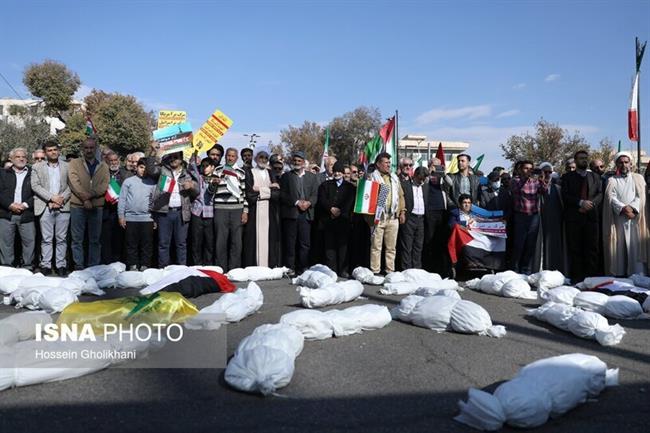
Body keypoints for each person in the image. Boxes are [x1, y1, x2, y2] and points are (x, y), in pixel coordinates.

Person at [147, 151, 198, 267]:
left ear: (181, 159)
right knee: (163, 243)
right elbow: (150, 170)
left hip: (181, 212)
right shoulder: (162, 170)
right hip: (165, 212)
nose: (173, 159)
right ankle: (163, 270)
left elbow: (197, 190)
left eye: (176, 157)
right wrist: (152, 152)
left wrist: (192, 187)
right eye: (171, 157)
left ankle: (181, 270)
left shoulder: (188, 172)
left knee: (181, 243)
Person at [603, 152, 649, 276]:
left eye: (626, 162)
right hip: (619, 220)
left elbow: (641, 195)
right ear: (616, 164)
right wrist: (623, 208)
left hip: (635, 219)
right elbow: (610, 198)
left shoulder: (638, 178)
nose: (623, 164)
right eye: (620, 162)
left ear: (630, 163)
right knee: (619, 248)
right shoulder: (612, 180)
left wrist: (632, 208)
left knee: (636, 247)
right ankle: (620, 275)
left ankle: (639, 275)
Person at [68, 138, 109, 269]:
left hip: (96, 207)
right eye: (86, 148)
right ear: (82, 149)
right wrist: (84, 199)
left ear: (96, 148)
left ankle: (93, 267)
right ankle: (79, 266)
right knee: (77, 239)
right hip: (77, 206)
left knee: (95, 240)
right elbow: (73, 182)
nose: (89, 150)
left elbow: (104, 185)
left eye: (91, 148)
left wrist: (91, 195)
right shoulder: (74, 163)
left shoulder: (103, 166)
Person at [30, 141, 70, 275]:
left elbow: (72, 185)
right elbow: (35, 186)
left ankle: (60, 265)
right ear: (45, 152)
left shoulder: (67, 166)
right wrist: (51, 198)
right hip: (45, 206)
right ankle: (46, 265)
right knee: (46, 238)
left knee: (61, 238)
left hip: (63, 206)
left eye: (55, 149)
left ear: (58, 151)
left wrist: (60, 199)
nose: (53, 152)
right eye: (49, 150)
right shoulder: (37, 167)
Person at [561, 151, 602, 282]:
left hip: (591, 218)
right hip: (574, 218)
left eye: (585, 158)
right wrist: (580, 202)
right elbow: (565, 195)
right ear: (576, 160)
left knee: (591, 249)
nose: (584, 160)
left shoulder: (595, 177)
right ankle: (577, 279)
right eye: (581, 158)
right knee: (575, 248)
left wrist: (591, 204)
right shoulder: (567, 177)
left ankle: (591, 279)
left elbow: (600, 194)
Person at [280, 151, 319, 275]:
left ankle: (304, 268)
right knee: (290, 243)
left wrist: (309, 203)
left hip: (306, 214)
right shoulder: (286, 176)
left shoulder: (312, 177)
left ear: (303, 162)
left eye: (299, 161)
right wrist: (297, 202)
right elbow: (283, 194)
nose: (296, 163)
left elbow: (315, 194)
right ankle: (290, 268)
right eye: (295, 161)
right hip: (292, 214)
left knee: (305, 243)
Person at [509, 160, 548, 275]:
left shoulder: (536, 182)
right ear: (520, 170)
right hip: (520, 216)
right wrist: (526, 178)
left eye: (531, 169)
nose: (529, 171)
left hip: (534, 216)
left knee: (530, 245)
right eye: (526, 168)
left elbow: (544, 191)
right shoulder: (515, 181)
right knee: (518, 245)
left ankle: (526, 271)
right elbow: (519, 189)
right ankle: (515, 270)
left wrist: (542, 178)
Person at [369, 152, 405, 275]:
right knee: (376, 246)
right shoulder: (372, 177)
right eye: (386, 162)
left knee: (391, 247)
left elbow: (400, 195)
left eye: (389, 162)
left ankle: (390, 271)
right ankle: (375, 271)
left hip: (393, 217)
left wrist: (402, 211)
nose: (389, 165)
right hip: (378, 217)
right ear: (378, 164)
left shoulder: (394, 177)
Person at [316, 161, 355, 276]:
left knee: (343, 247)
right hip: (328, 221)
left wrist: (340, 211)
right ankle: (331, 270)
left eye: (340, 171)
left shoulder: (350, 187)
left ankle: (343, 270)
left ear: (343, 173)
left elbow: (350, 202)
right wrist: (331, 209)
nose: (337, 173)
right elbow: (322, 200)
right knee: (329, 247)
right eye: (336, 171)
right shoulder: (325, 185)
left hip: (343, 221)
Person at [213, 148, 248, 272]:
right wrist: (213, 183)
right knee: (220, 242)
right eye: (228, 156)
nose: (230, 158)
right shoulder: (217, 170)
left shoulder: (241, 172)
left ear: (236, 158)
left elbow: (244, 193)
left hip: (237, 209)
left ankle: (234, 270)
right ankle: (221, 270)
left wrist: (245, 211)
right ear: (225, 157)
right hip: (220, 209)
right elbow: (211, 191)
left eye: (233, 156)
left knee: (236, 242)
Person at [118, 158, 156, 271]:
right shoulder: (128, 181)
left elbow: (155, 201)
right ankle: (132, 265)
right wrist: (121, 216)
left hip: (147, 219)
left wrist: (155, 219)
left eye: (145, 168)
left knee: (147, 245)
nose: (143, 170)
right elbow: (122, 199)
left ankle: (145, 265)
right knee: (131, 244)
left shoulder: (152, 182)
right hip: (130, 218)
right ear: (136, 167)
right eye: (141, 167)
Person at [244, 151, 281, 267]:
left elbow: (277, 193)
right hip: (255, 210)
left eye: (266, 158)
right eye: (261, 157)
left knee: (270, 238)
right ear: (256, 158)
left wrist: (258, 190)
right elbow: (249, 193)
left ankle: (269, 265)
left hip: (269, 211)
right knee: (253, 240)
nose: (263, 160)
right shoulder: (249, 172)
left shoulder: (271, 173)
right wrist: (269, 188)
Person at [0, 148, 35, 269]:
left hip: (27, 213)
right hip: (6, 213)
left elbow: (37, 193)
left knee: (29, 242)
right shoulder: (3, 173)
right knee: (6, 243)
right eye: (18, 157)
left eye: (23, 156)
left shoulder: (33, 173)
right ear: (11, 159)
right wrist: (10, 205)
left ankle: (28, 267)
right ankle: (6, 267)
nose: (21, 159)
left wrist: (25, 205)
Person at [536, 162, 567, 274]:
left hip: (555, 223)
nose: (548, 174)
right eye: (545, 171)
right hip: (539, 222)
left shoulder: (558, 188)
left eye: (550, 172)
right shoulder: (535, 186)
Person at [101, 151, 131, 264]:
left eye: (115, 160)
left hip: (121, 211)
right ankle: (107, 263)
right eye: (111, 160)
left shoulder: (127, 174)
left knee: (119, 239)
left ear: (119, 160)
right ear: (106, 161)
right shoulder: (102, 173)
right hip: (106, 211)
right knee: (106, 239)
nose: (113, 163)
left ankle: (119, 262)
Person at [423, 158, 450, 275]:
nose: (437, 168)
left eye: (439, 165)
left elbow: (451, 183)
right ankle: (429, 266)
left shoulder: (442, 179)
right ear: (430, 165)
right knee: (429, 239)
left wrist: (443, 174)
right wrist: (429, 172)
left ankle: (440, 267)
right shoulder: (427, 176)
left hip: (442, 211)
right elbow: (423, 182)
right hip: (430, 211)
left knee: (441, 240)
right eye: (435, 165)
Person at [399, 166, 429, 270]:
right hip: (409, 218)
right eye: (420, 179)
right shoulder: (405, 185)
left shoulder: (425, 186)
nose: (422, 181)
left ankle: (417, 269)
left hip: (421, 219)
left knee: (418, 246)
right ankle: (406, 269)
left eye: (424, 179)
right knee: (407, 246)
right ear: (415, 175)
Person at [189, 157, 217, 265]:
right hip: (197, 212)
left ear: (212, 167)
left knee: (209, 242)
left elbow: (211, 192)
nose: (205, 168)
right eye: (203, 166)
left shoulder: (216, 178)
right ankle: (197, 265)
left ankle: (208, 265)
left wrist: (214, 183)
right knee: (196, 241)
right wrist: (194, 154)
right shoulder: (198, 177)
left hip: (210, 213)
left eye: (207, 166)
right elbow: (192, 168)